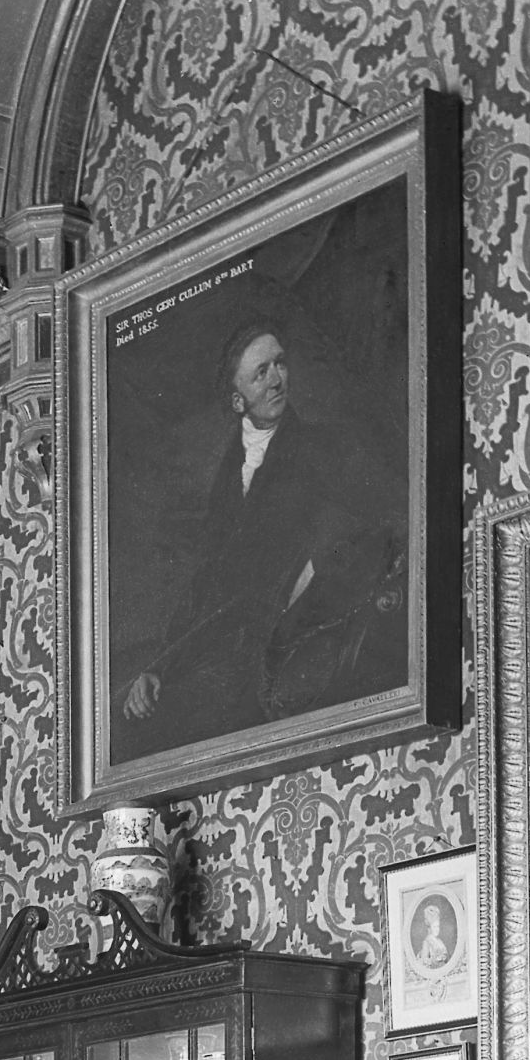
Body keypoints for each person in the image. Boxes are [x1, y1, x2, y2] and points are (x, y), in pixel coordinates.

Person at [118, 323, 401, 753]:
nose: (276, 379)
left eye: (280, 364)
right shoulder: (228, 475)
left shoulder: (321, 448)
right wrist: (159, 665)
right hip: (222, 636)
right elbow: (206, 579)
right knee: (132, 715)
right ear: (238, 400)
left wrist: (316, 570)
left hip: (284, 634)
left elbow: (383, 525)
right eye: (261, 372)